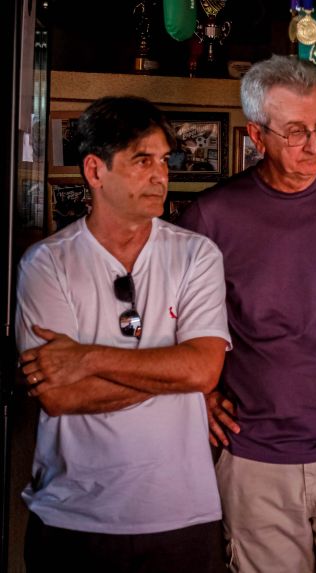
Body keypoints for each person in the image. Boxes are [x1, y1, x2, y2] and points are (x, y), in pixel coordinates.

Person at [178, 55, 316, 572]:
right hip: (253, 459)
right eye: (296, 131)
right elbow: (175, 328)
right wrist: (201, 397)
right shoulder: (211, 217)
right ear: (256, 136)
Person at [16, 96, 231, 573]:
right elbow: (58, 396)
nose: (161, 176)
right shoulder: (47, 264)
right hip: (72, 514)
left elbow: (202, 371)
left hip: (181, 512)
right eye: (142, 161)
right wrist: (170, 373)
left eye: (164, 161)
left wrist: (87, 358)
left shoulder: (196, 256)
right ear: (95, 170)